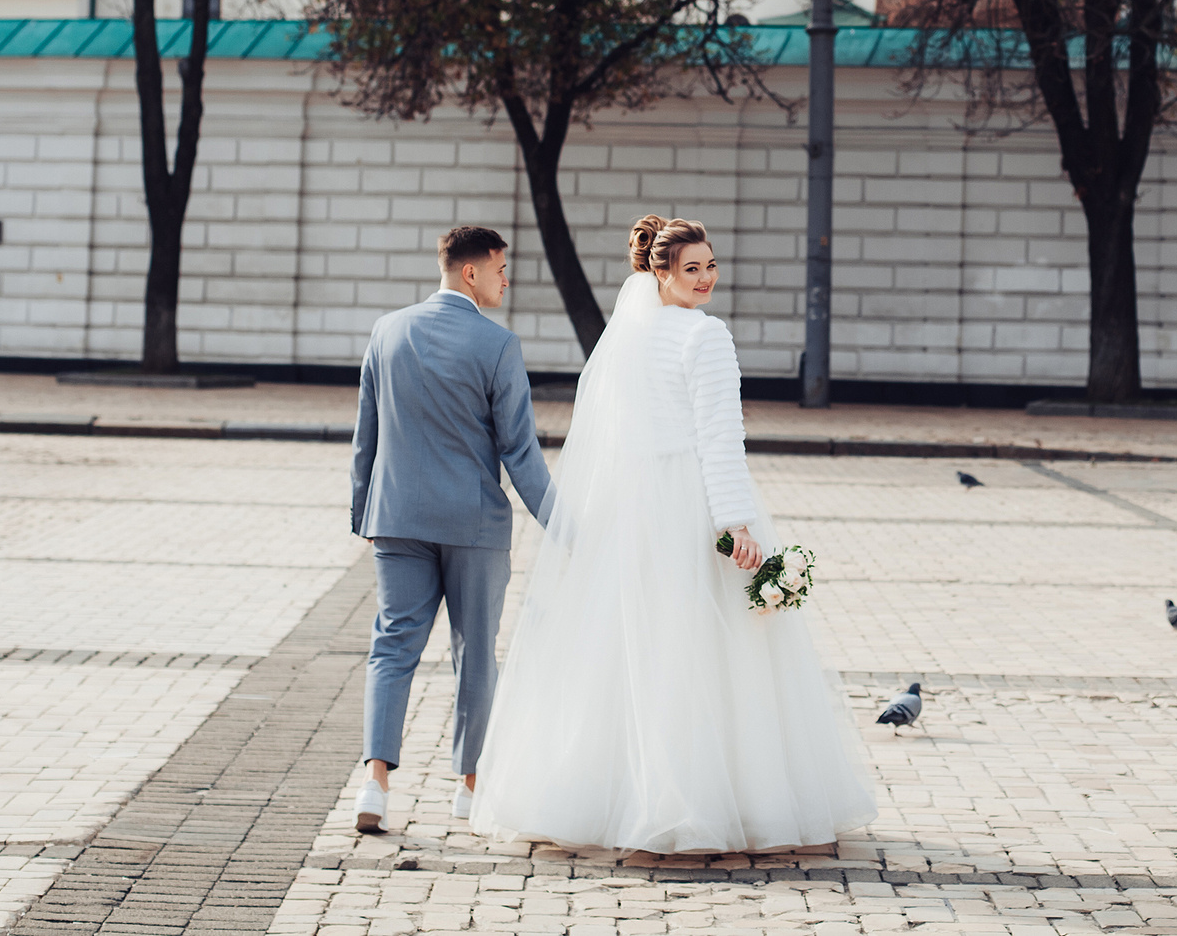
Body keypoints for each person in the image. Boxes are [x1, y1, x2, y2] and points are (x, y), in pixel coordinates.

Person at [469, 213, 878, 853]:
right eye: (693, 268)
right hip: (689, 503)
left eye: (711, 266)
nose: (707, 278)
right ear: (660, 271)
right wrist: (734, 522)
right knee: (704, 654)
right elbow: (720, 437)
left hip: (631, 509)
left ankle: (605, 798)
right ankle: (708, 801)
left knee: (630, 651)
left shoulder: (627, 336)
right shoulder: (705, 337)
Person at [349, 224, 552, 834]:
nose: (505, 281)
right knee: (475, 654)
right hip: (473, 524)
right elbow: (520, 453)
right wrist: (567, 526)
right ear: (472, 272)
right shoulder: (498, 346)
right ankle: (468, 789)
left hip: (397, 519)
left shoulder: (387, 331)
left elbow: (367, 435)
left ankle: (375, 784)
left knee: (392, 646)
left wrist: (365, 512)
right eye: (499, 270)